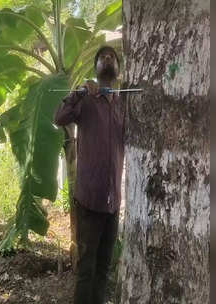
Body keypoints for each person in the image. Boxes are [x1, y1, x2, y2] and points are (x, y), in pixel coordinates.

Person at [54, 45, 125, 304]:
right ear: (95, 68)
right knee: (86, 270)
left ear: (118, 69)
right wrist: (78, 92)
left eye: (112, 58)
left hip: (113, 202)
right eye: (102, 57)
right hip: (89, 200)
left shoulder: (121, 103)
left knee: (105, 268)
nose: (107, 60)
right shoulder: (85, 99)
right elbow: (59, 118)